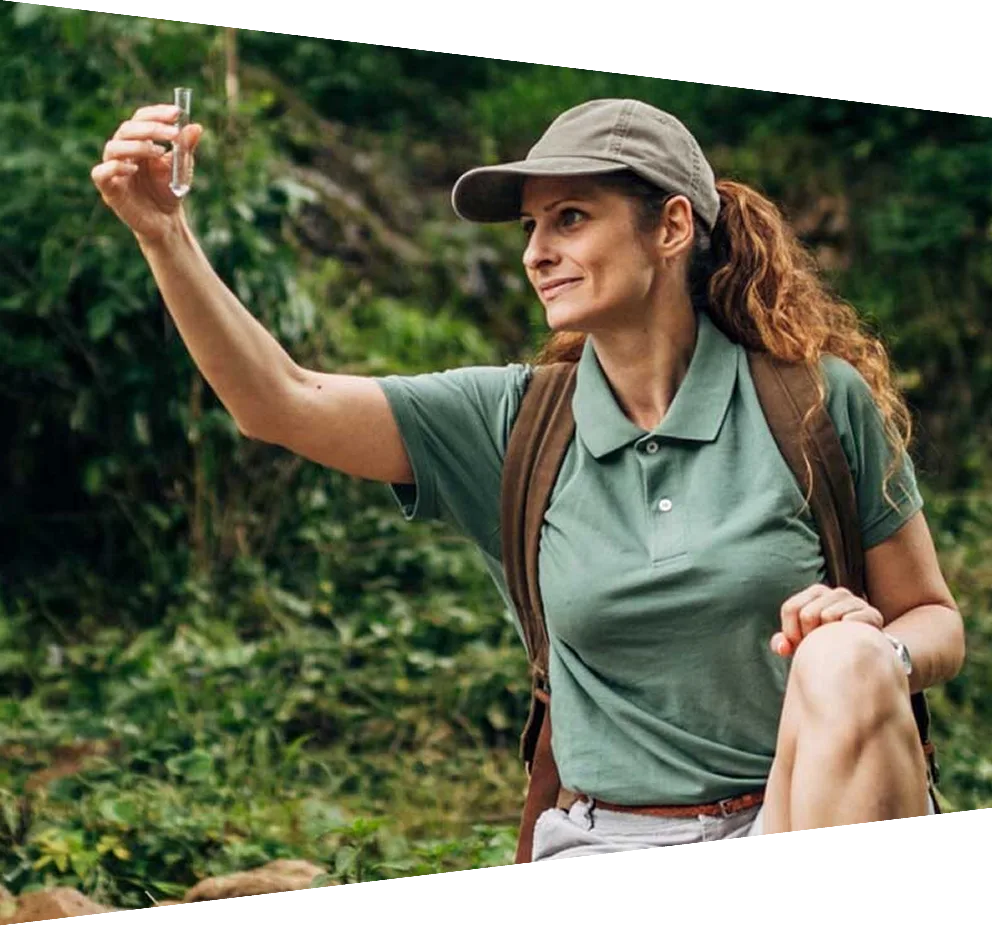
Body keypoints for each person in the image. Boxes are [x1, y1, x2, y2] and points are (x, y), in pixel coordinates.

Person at [92, 97, 965, 856]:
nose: (536, 253)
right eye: (531, 229)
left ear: (669, 228)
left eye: (571, 218)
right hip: (604, 835)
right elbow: (281, 401)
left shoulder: (813, 403)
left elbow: (935, 622)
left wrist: (871, 651)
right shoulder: (513, 424)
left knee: (850, 656)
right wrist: (164, 237)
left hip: (811, 804)